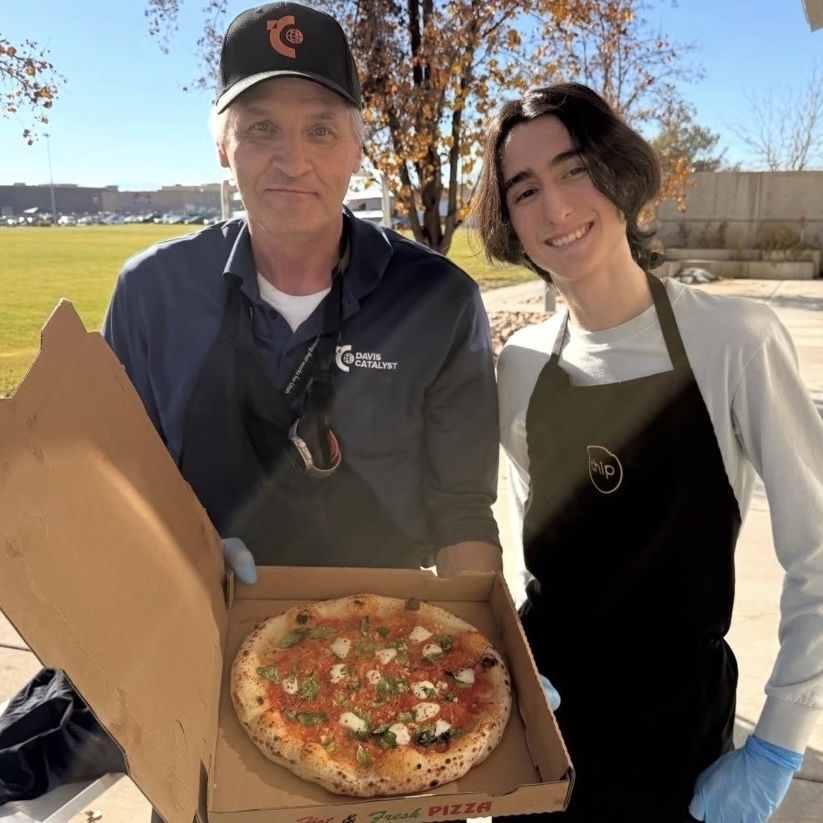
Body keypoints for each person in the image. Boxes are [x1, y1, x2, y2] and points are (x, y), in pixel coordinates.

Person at [472, 82, 823, 823]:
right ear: (508, 220)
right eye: (525, 189)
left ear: (617, 173)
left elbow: (817, 553)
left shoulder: (735, 339)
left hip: (676, 740)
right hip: (540, 726)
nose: (556, 209)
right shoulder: (523, 364)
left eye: (573, 170)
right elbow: (510, 540)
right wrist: (511, 665)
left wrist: (779, 743)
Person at [101, 1, 504, 584]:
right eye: (262, 127)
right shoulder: (151, 293)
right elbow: (117, 491)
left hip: (381, 636)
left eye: (320, 129)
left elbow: (462, 513)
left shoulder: (439, 301)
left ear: (357, 148)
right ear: (222, 146)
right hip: (198, 626)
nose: (293, 160)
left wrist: (485, 652)